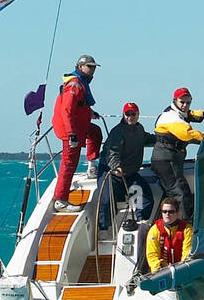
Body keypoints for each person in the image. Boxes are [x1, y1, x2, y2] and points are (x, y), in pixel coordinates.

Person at [51, 54, 102, 211]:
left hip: (80, 125)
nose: (92, 70)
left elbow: (79, 104)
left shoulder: (80, 83)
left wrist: (90, 113)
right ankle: (60, 199)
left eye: (94, 67)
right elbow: (67, 110)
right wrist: (71, 133)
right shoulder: (75, 84)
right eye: (90, 67)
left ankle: (92, 167)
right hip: (70, 129)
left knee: (95, 132)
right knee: (69, 163)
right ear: (80, 67)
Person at [151, 86, 204, 222]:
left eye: (188, 102)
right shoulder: (172, 118)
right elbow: (188, 134)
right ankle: (185, 226)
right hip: (166, 161)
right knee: (181, 192)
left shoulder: (177, 112)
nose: (185, 105)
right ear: (175, 101)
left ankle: (176, 223)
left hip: (169, 160)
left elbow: (190, 114)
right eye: (181, 102)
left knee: (175, 191)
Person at [97, 102, 157, 232]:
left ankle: (141, 222)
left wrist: (164, 139)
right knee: (106, 200)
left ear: (138, 115)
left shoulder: (139, 129)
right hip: (111, 172)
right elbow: (113, 152)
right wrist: (116, 167)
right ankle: (103, 229)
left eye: (133, 114)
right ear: (124, 115)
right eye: (127, 114)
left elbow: (147, 139)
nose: (130, 117)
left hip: (130, 174)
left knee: (146, 198)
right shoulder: (117, 132)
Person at [145, 196, 194, 273]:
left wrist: (181, 268)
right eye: (164, 211)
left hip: (182, 270)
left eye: (171, 212)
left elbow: (187, 253)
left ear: (177, 213)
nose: (167, 214)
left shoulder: (187, 229)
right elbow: (152, 256)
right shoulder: (154, 230)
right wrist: (160, 269)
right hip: (162, 271)